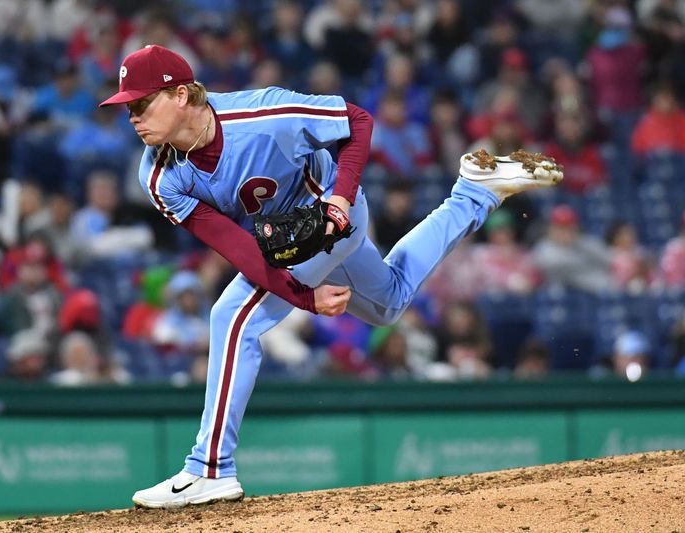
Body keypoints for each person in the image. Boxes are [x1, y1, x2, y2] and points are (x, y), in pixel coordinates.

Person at [98, 45, 562, 508]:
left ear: (180, 95)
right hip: (286, 243)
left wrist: (340, 198)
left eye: (141, 103)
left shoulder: (263, 113)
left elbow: (357, 120)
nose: (133, 116)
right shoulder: (159, 176)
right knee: (388, 303)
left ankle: (209, 468)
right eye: (127, 107)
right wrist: (305, 297)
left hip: (330, 217)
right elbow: (237, 248)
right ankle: (473, 194)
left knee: (233, 316)